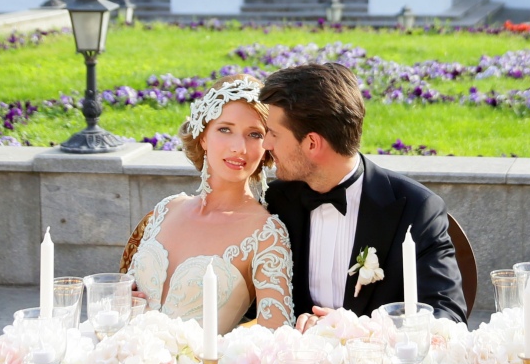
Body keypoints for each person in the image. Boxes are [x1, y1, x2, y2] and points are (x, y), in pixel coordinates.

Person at [259, 62, 468, 328]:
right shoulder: (274, 202)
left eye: (274, 134)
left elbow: (447, 318)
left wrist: (360, 331)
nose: (266, 144)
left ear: (312, 143)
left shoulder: (416, 210)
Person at [127, 77, 295, 331]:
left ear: (267, 146)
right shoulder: (167, 209)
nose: (239, 148)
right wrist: (121, 300)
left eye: (254, 134)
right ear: (203, 136)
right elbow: (121, 293)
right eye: (225, 129)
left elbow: (275, 340)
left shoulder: (267, 234)